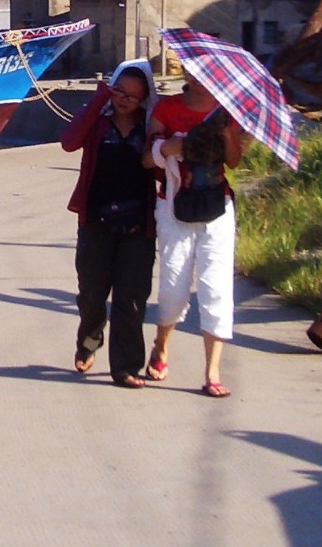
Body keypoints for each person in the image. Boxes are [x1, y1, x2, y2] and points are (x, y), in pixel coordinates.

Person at [144, 68, 245, 397]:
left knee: (216, 288)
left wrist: (229, 134)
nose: (200, 77)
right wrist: (169, 147)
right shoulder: (168, 109)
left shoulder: (226, 109)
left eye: (207, 71)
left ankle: (212, 371)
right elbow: (146, 159)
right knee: (173, 285)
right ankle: (161, 344)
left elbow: (233, 162)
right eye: (195, 70)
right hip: (175, 207)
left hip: (217, 208)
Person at [60, 60, 156, 387]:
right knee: (91, 295)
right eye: (119, 91)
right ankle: (89, 340)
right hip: (96, 223)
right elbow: (69, 141)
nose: (124, 99)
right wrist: (100, 98)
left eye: (132, 95)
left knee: (131, 299)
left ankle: (126, 368)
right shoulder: (98, 124)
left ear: (143, 98)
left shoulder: (150, 126)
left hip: (137, 227)